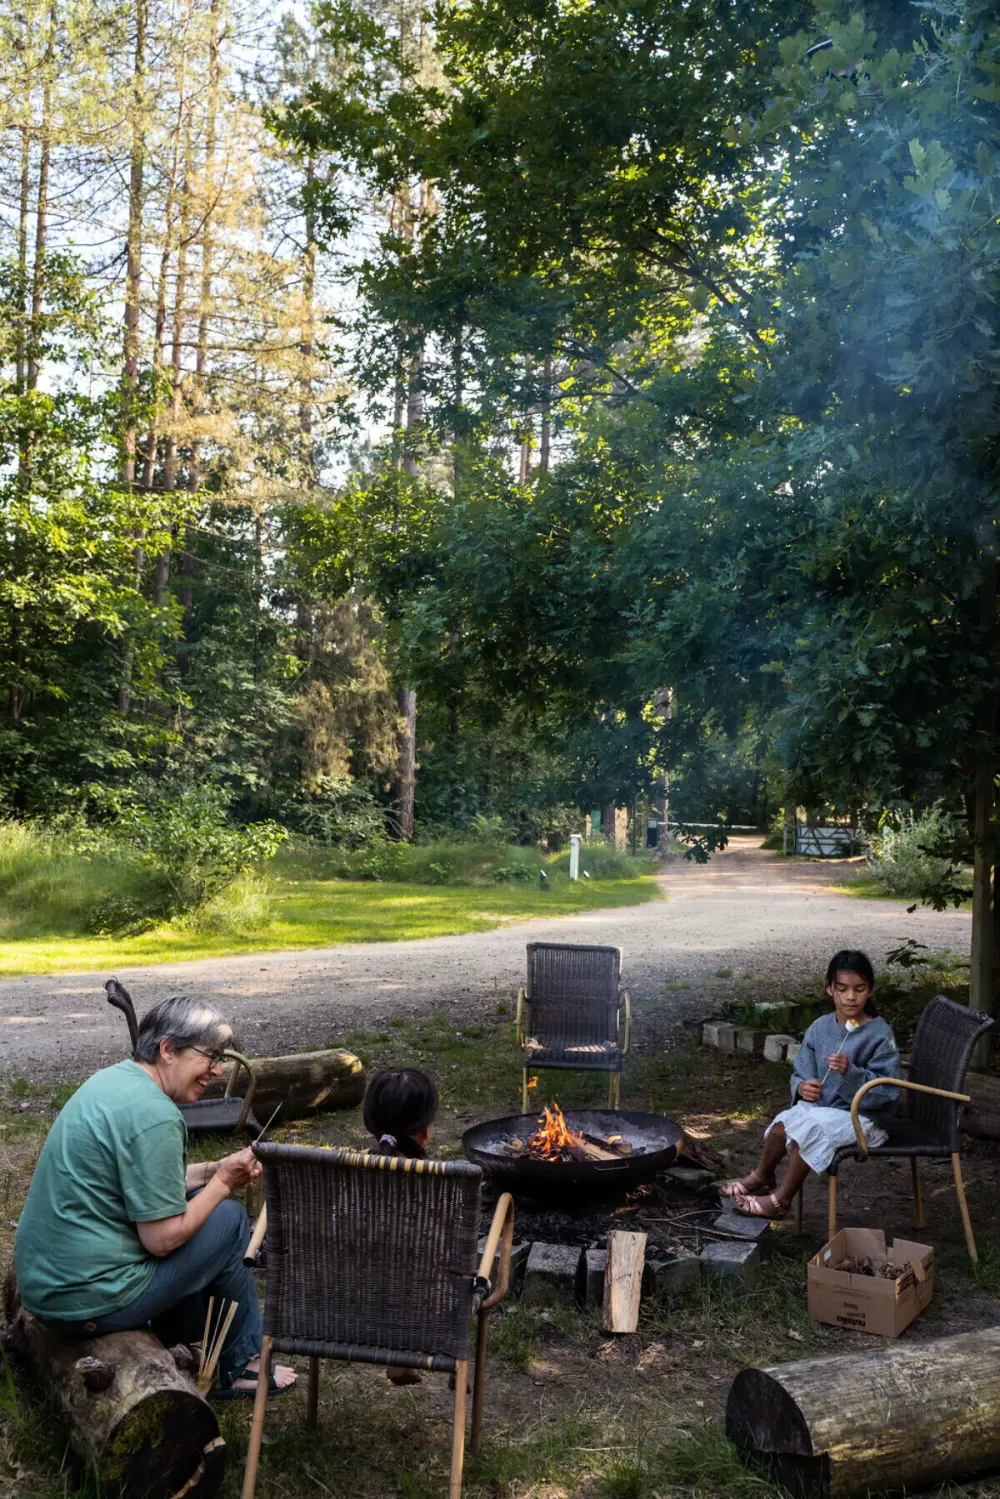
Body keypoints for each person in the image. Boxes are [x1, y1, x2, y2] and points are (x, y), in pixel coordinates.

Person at [14, 996, 295, 1398]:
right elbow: (161, 1240)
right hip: (85, 1303)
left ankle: (207, 1342)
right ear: (167, 1049)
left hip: (49, 1289)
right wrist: (222, 1185)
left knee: (210, 1212)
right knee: (230, 1221)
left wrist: (213, 1170)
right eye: (211, 1056)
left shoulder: (114, 1081)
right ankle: (240, 1365)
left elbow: (146, 1183)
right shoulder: (156, 1115)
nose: (217, 1071)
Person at [721, 950, 901, 1220]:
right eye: (842, 989)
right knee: (783, 1126)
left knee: (811, 1130)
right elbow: (800, 1070)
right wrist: (802, 1087)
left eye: (859, 989)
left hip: (864, 1116)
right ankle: (763, 1175)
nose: (851, 997)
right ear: (830, 989)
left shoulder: (880, 1033)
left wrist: (851, 1072)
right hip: (824, 1108)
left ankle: (781, 1200)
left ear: (870, 991)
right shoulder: (820, 1027)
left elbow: (887, 1091)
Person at [362, 1066, 439, 1386]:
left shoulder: (343, 1171)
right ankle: (401, 1352)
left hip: (343, 1301)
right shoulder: (440, 1186)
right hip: (419, 1303)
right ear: (426, 1131)